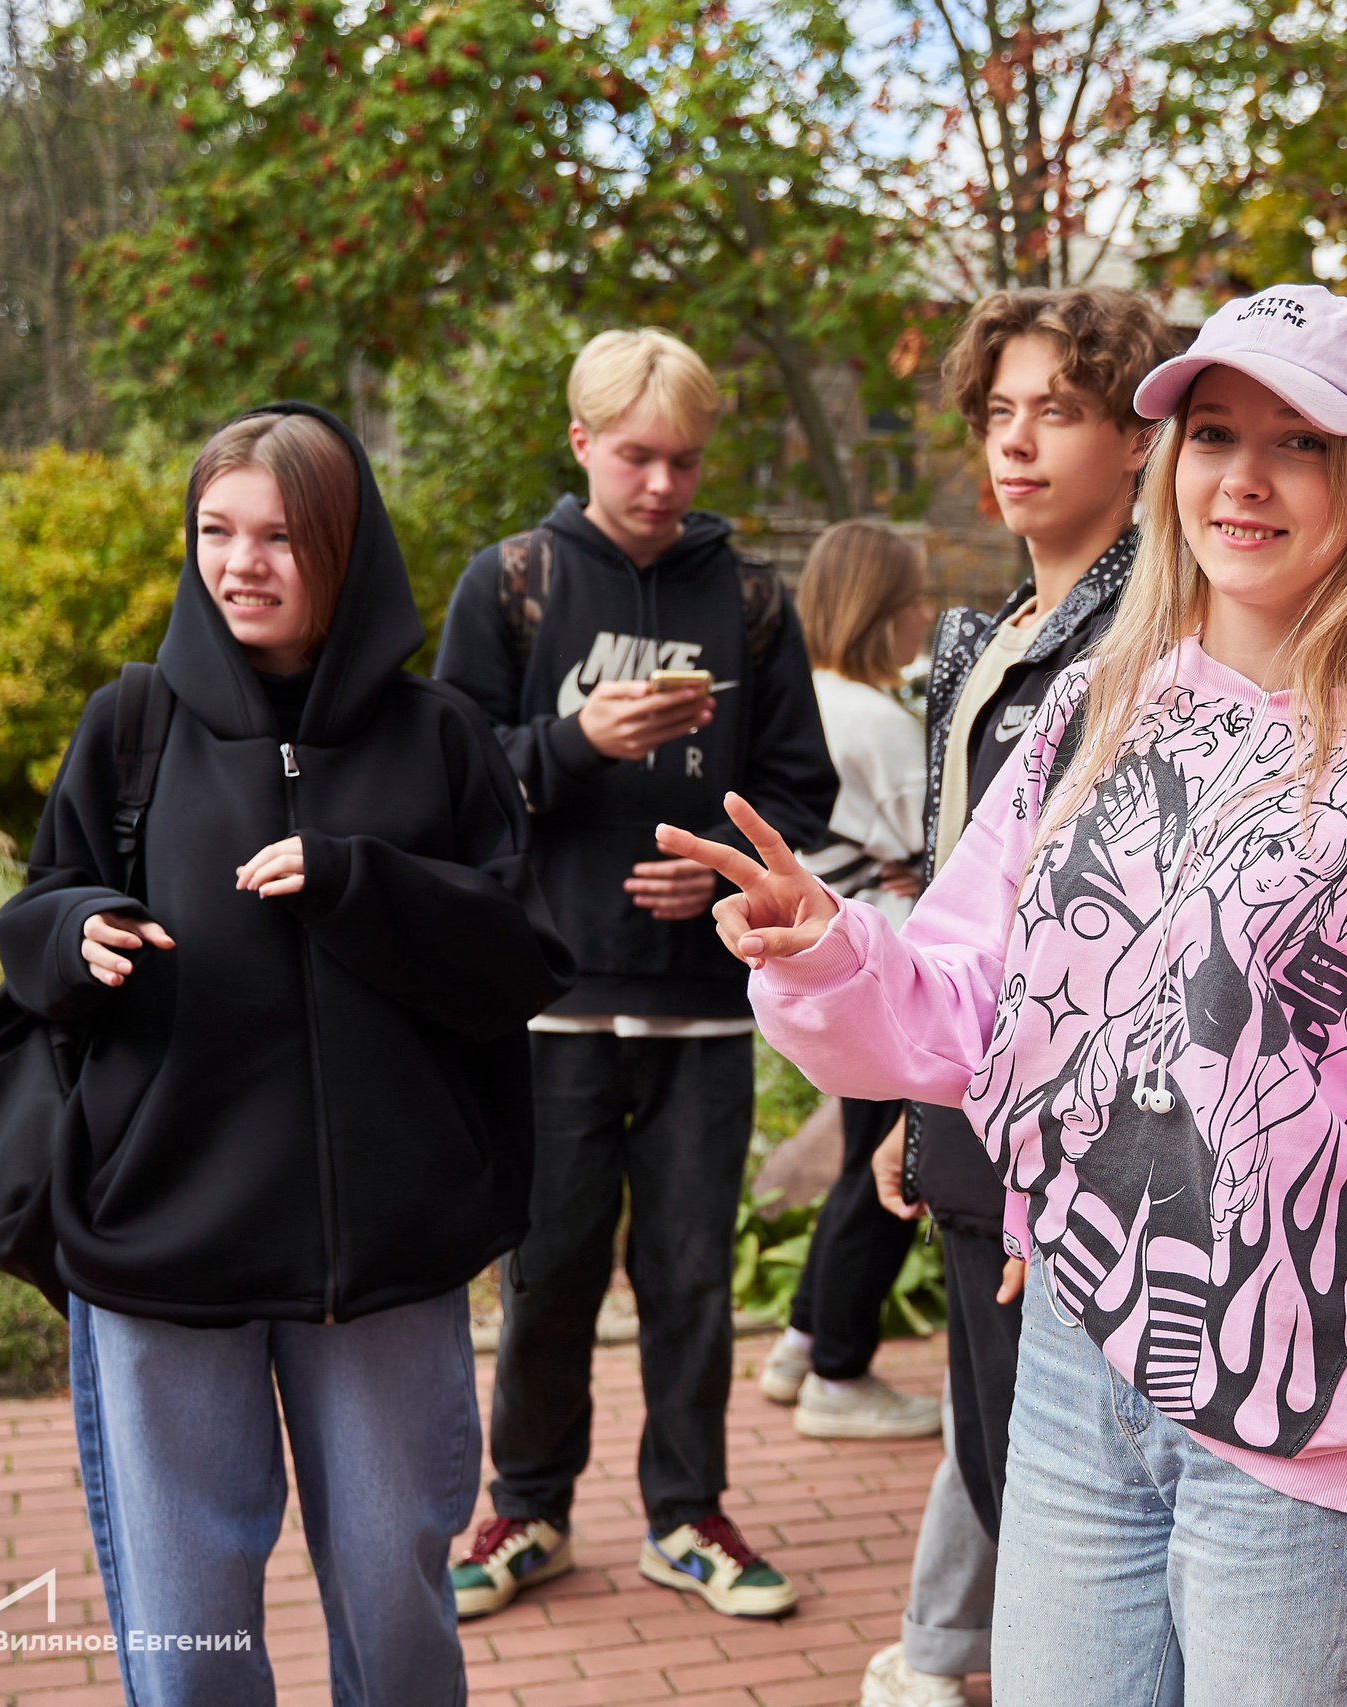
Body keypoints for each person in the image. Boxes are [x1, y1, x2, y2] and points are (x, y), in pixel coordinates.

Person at [661, 282, 1347, 1705]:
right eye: (1216, 431)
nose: (1244, 476)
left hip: (1312, 1413)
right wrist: (827, 943)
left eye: (1299, 441)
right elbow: (965, 993)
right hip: (1078, 1358)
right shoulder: (1102, 707)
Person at [0, 405, 573, 1705]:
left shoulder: (439, 739)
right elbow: (33, 913)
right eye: (217, 530)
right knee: (187, 1620)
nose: (241, 563)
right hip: (164, 1236)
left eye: (281, 536)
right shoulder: (130, 724)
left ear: (347, 548)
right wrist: (76, 931)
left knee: (395, 1595)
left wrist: (362, 884)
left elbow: (520, 953)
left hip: (386, 1259)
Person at [434, 329, 838, 1622]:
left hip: (702, 1005)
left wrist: (723, 876)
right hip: (548, 996)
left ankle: (687, 1513)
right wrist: (571, 738)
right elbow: (443, 781)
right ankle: (527, 1508)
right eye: (635, 456)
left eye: (684, 459)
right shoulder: (516, 581)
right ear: (580, 444)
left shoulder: (754, 599)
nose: (662, 483)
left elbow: (799, 790)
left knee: (690, 1271)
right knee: (547, 1267)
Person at [826, 284, 1175, 1707]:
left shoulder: (1155, 632)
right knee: (992, 1451)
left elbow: (1118, 928)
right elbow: (955, 903)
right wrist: (921, 1100)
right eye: (1000, 409)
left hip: (1084, 1131)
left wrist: (1043, 1160)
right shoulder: (975, 639)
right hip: (972, 1104)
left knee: (1079, 1503)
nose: (1019, 439)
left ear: (1138, 438)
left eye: (1063, 409)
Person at [758, 520, 943, 1440]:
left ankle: (802, 1338)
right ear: (881, 608)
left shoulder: (799, 703)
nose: (925, 616)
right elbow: (944, 845)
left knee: (861, 1160)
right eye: (913, 597)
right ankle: (839, 1367)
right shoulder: (877, 719)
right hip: (895, 969)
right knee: (892, 1169)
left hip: (828, 972)